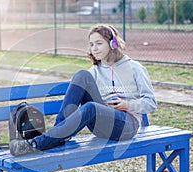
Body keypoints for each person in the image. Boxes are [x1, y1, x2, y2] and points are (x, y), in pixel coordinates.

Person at [10, 24, 157, 156]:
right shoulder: (94, 71)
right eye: (92, 44)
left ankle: (37, 143)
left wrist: (127, 105)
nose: (94, 48)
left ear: (113, 43)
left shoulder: (135, 68)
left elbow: (151, 103)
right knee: (81, 75)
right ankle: (58, 134)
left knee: (91, 107)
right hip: (102, 124)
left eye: (99, 43)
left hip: (127, 125)